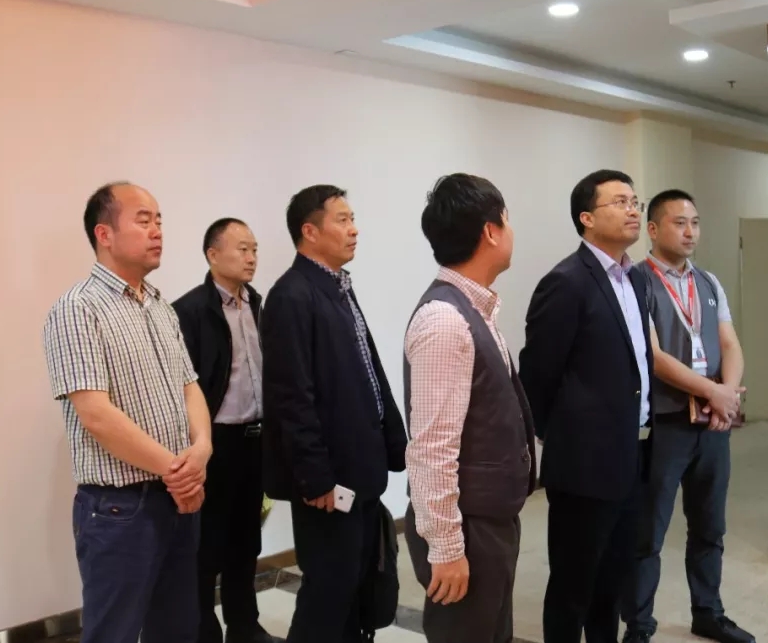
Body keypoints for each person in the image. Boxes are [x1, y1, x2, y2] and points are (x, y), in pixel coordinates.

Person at [42, 182, 212, 643]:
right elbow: (95, 415)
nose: (157, 230)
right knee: (112, 633)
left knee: (178, 628)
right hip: (121, 508)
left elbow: (189, 386)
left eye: (159, 221)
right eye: (143, 220)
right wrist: (178, 471)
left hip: (178, 497)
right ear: (105, 234)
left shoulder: (160, 306)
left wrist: (201, 449)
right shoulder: (77, 309)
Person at [260, 185, 408, 643]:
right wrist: (316, 478)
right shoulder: (291, 296)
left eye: (352, 218)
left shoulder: (337, 288)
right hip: (330, 481)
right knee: (328, 589)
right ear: (310, 231)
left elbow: (368, 371)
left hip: (359, 468)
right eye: (342, 220)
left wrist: (394, 442)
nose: (354, 229)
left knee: (355, 582)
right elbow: (291, 398)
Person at [518, 169, 654, 643]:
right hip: (583, 464)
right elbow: (537, 373)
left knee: (610, 584)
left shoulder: (635, 279)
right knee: (572, 586)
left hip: (630, 454)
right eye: (619, 202)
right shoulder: (566, 282)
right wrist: (562, 435)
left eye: (635, 201)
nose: (632, 209)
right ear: (586, 218)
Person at [402, 174, 537, 643]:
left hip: (488, 517)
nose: (512, 231)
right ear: (490, 231)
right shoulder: (445, 320)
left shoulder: (475, 309)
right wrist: (446, 547)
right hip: (467, 524)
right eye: (507, 220)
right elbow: (431, 448)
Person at [621, 189, 754, 643]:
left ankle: (708, 613)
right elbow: (654, 356)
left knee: (710, 527)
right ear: (653, 229)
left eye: (695, 222)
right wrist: (714, 392)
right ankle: (639, 625)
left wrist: (726, 396)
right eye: (679, 223)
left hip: (712, 424)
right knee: (648, 532)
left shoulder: (709, 282)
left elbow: (730, 343)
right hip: (666, 424)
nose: (690, 231)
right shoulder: (636, 281)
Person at [172, 218, 277, 643]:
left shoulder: (258, 304)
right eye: (241, 249)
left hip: (256, 440)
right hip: (214, 444)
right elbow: (183, 387)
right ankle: (203, 631)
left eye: (254, 249)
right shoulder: (190, 311)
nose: (251, 258)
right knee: (206, 546)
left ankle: (244, 625)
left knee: (246, 541)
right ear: (213, 255)